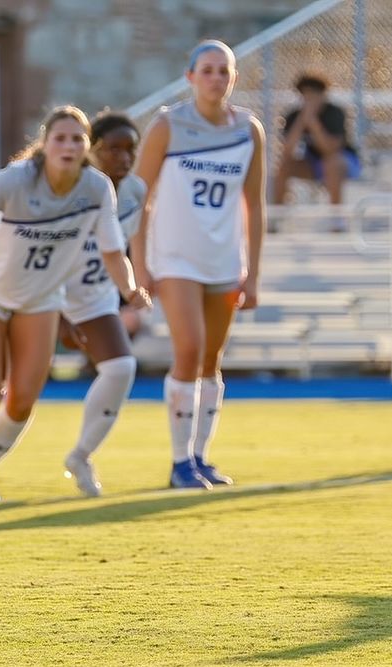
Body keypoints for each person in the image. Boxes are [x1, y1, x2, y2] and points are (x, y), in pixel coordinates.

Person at [0, 105, 149, 503]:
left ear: (87, 147)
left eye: (78, 138)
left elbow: (112, 251)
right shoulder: (19, 179)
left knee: (22, 399)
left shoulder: (96, 188)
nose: (69, 145)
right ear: (45, 144)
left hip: (41, 298)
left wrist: (130, 288)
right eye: (61, 138)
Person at [130, 40, 267, 489]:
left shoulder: (249, 129)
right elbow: (138, 198)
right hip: (175, 257)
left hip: (224, 260)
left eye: (223, 71)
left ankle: (201, 457)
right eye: (206, 70)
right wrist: (140, 262)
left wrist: (254, 273)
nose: (215, 78)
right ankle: (178, 462)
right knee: (187, 350)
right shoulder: (167, 125)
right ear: (190, 77)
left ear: (234, 78)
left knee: (211, 358)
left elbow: (255, 204)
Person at [272, 73, 360, 208]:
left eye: (314, 93)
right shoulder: (295, 115)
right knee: (284, 166)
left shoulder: (334, 113)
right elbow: (287, 151)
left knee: (331, 164)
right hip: (314, 164)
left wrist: (313, 122)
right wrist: (301, 122)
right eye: (306, 94)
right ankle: (276, 216)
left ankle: (336, 219)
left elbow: (330, 150)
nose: (310, 98)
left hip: (342, 163)